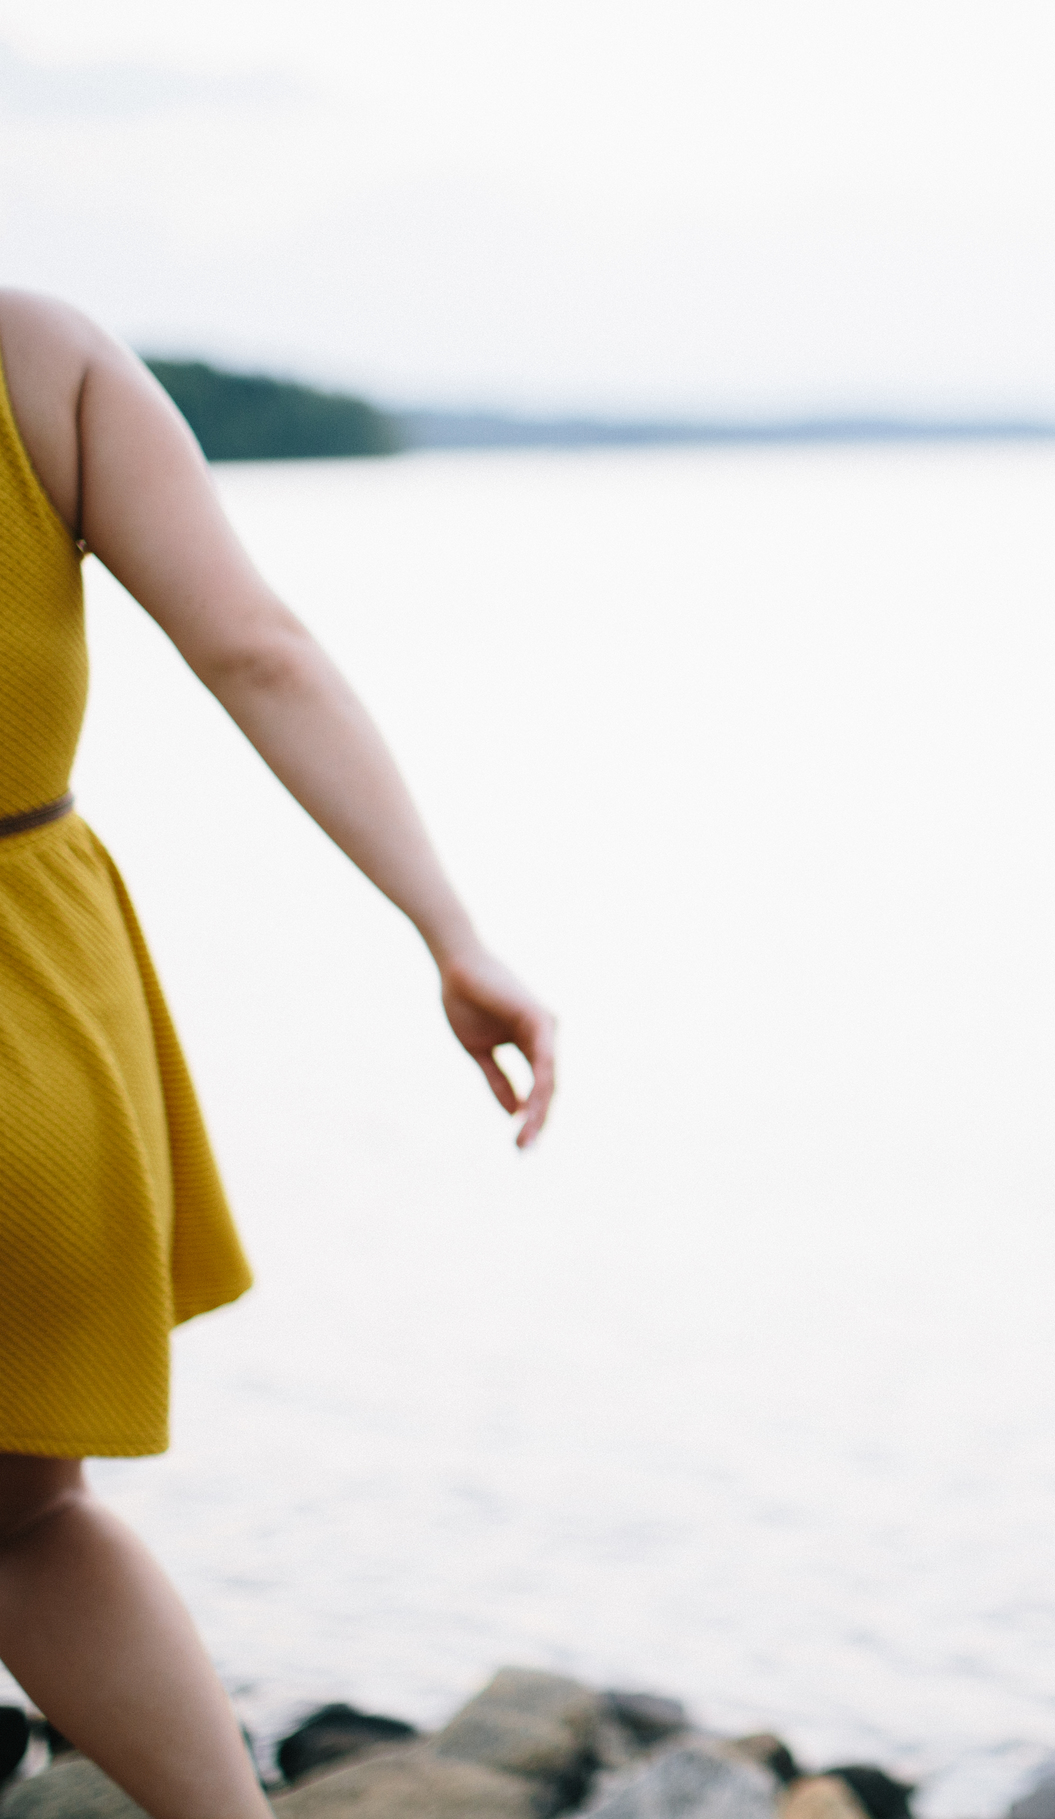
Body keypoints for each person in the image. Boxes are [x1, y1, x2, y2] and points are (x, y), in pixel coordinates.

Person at [0, 290, 557, 1819]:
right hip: (34, 1026)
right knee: (27, 1520)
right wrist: (452, 931)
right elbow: (257, 650)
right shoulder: (38, 359)